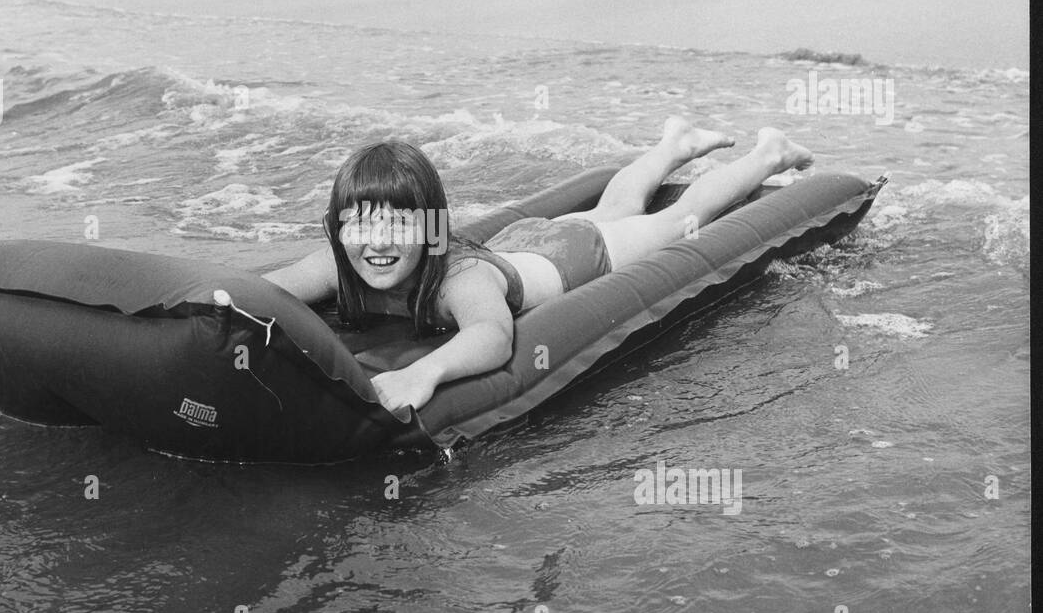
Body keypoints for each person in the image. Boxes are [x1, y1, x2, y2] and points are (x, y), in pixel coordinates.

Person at [262, 118, 813, 413]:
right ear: (338, 229)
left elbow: (492, 337)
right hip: (518, 243)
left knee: (679, 219)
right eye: (359, 224)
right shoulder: (339, 262)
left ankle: (768, 153)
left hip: (575, 256)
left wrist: (422, 370)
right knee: (614, 206)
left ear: (430, 227)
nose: (376, 242)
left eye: (398, 224)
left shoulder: (457, 278)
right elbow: (260, 291)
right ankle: (676, 143)